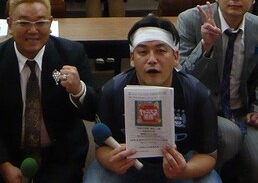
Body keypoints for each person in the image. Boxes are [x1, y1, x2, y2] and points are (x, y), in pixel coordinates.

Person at [0, 0, 97, 183]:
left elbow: (93, 110)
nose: (33, 31)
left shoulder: (71, 54)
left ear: (50, 23)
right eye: (23, 23)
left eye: (40, 23)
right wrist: (4, 166)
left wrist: (78, 90)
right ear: (10, 23)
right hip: (9, 154)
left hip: (59, 155)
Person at [85, 15, 221, 183]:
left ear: (176, 57)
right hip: (128, 165)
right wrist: (113, 161)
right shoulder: (112, 90)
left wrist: (184, 170)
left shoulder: (198, 94)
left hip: (180, 163)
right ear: (132, 58)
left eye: (161, 51)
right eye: (142, 52)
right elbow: (102, 148)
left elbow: (208, 155)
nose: (151, 60)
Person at [177, 0, 258, 182]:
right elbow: (182, 77)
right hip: (204, 111)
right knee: (229, 137)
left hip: (241, 112)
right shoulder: (191, 20)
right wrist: (205, 46)